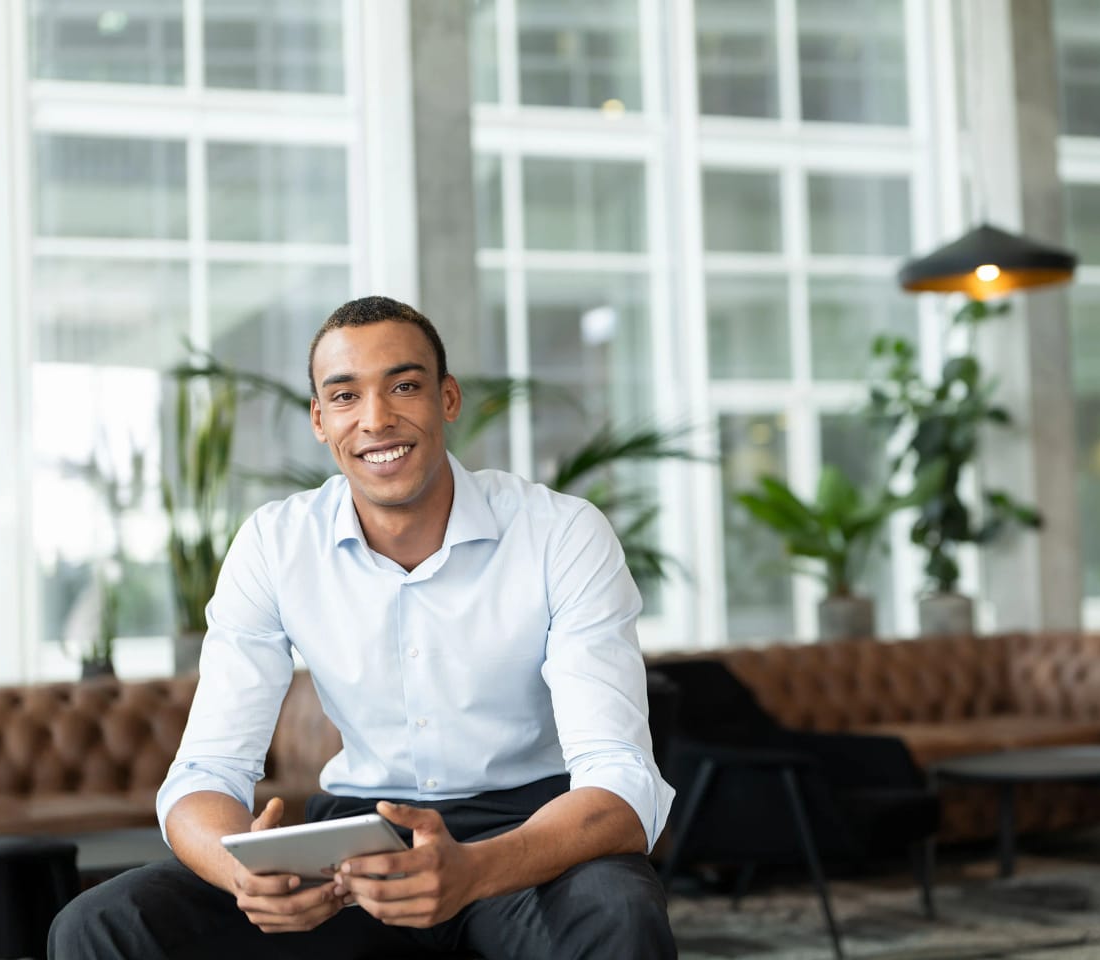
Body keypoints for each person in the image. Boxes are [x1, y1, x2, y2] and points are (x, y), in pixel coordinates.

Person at [49, 296, 677, 960]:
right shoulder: (275, 544)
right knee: (104, 924)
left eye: (404, 386)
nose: (376, 420)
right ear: (321, 419)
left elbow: (620, 780)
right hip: (354, 843)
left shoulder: (561, 534)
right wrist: (244, 875)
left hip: (527, 832)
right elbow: (206, 771)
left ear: (448, 398)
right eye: (346, 396)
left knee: (618, 914)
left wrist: (473, 871)